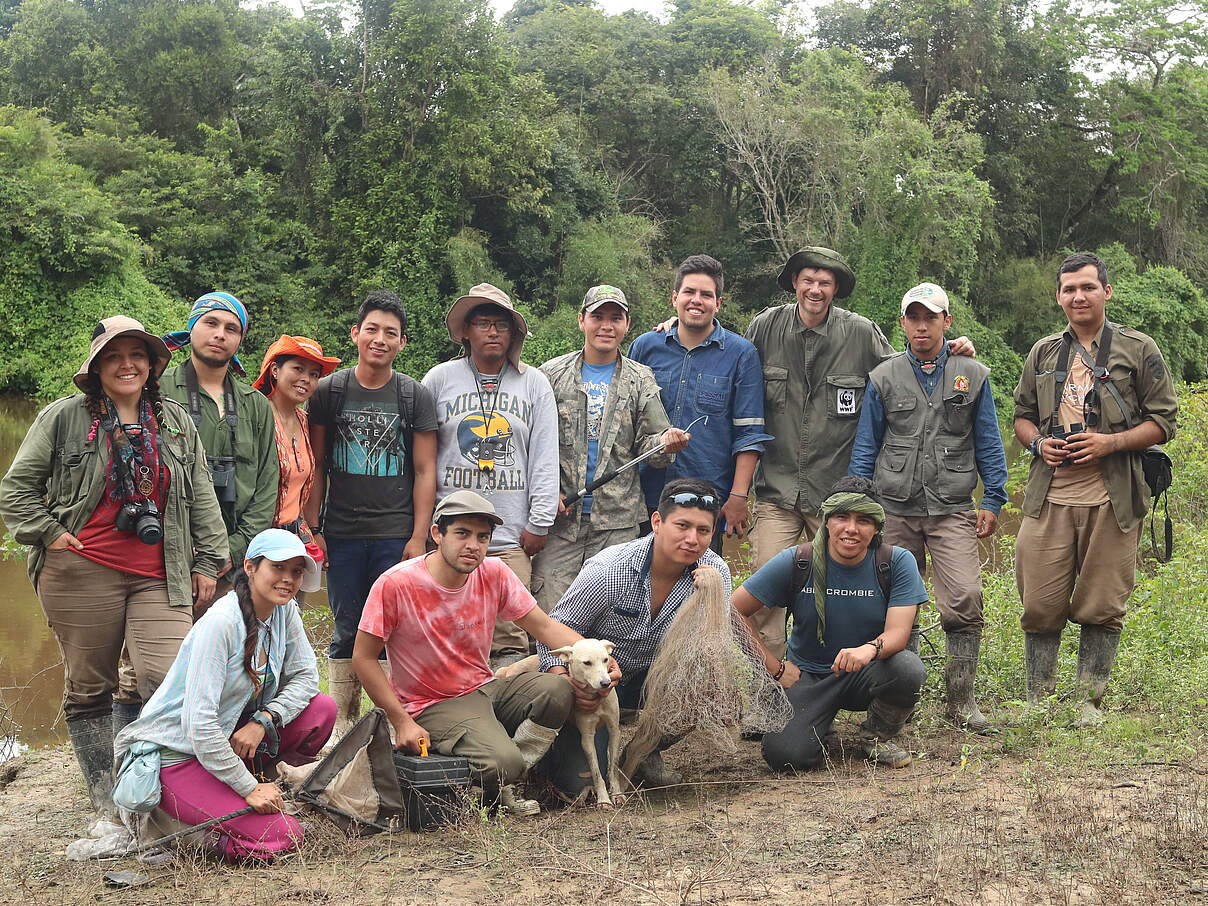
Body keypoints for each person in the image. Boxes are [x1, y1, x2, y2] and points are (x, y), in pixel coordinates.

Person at [0, 317, 227, 820]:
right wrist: (51, 533)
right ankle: (107, 804)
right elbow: (14, 491)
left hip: (159, 572)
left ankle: (161, 795)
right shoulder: (62, 418)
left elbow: (202, 497)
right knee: (90, 687)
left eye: (137, 355)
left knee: (168, 678)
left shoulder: (173, 420)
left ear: (152, 364)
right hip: (80, 570)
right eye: (114, 356)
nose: (127, 365)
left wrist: (209, 560)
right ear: (97, 366)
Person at [744, 246, 974, 659]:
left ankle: (839, 683)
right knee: (767, 599)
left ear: (835, 289)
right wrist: (685, 327)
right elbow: (731, 367)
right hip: (775, 490)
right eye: (808, 279)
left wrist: (947, 353)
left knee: (845, 596)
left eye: (825, 282)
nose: (815, 289)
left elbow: (905, 376)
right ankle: (775, 694)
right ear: (794, 283)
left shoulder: (861, 333)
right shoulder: (764, 328)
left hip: (839, 497)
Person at [1012, 252, 1177, 727]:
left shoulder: (1138, 348)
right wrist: (1040, 443)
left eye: (1087, 287)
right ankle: (1038, 700)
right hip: (1049, 495)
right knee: (1039, 602)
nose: (1078, 296)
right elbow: (1021, 416)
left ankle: (1089, 701)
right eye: (1069, 289)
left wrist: (1110, 443)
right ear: (1059, 297)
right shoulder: (1043, 352)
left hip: (1114, 496)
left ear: (1106, 291)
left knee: (1102, 602)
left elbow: (1164, 422)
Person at [352, 491, 593, 815]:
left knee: (557, 688)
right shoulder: (396, 583)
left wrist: (597, 658)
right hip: (432, 703)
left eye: (482, 537)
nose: (473, 545)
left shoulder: (494, 572)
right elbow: (363, 658)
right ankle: (501, 771)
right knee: (501, 762)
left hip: (484, 686)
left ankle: (508, 778)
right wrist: (402, 721)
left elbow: (545, 628)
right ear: (437, 534)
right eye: (462, 534)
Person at [113, 529, 336, 861]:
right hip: (178, 754)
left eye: (296, 571)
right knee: (284, 835)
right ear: (250, 567)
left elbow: (306, 678)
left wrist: (264, 718)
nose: (288, 579)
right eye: (278, 568)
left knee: (322, 709)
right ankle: (179, 828)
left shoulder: (284, 611)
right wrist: (247, 788)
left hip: (229, 738)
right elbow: (199, 727)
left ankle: (262, 790)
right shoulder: (222, 622)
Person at [849, 283, 1008, 733]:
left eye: (931, 317)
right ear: (902, 323)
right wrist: (861, 505)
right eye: (914, 317)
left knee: (965, 598)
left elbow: (989, 443)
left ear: (946, 322)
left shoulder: (971, 373)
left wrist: (993, 498)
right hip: (894, 507)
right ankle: (903, 700)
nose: (922, 325)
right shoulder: (883, 376)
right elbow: (866, 445)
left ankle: (962, 702)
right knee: (898, 605)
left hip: (952, 506)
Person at [535, 478, 731, 795]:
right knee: (576, 786)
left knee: (706, 682)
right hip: (593, 682)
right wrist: (567, 680)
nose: (692, 539)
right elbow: (553, 629)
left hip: (650, 678)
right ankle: (558, 746)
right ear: (657, 521)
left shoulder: (714, 573)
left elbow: (711, 647)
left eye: (703, 531)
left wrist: (710, 594)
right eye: (682, 525)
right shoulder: (610, 569)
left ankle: (642, 752)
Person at [305, 291, 438, 740]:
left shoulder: (413, 395)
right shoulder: (330, 391)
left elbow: (424, 469)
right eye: (372, 329)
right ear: (356, 333)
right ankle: (344, 724)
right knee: (347, 626)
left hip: (394, 532)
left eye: (391, 333)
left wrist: (419, 535)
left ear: (403, 343)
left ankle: (389, 722)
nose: (380, 340)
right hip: (341, 532)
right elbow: (317, 463)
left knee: (394, 630)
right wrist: (314, 527)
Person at [733, 477, 929, 770]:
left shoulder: (895, 561)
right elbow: (734, 611)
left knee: (908, 668)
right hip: (808, 677)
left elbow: (899, 634)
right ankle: (815, 722)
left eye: (863, 520)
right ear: (826, 521)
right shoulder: (798, 560)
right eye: (841, 517)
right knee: (786, 758)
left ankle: (877, 735)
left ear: (876, 527)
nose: (851, 529)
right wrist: (776, 668)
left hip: (866, 672)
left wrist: (868, 650)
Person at [422, 284, 559, 666]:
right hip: (450, 530)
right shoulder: (439, 379)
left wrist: (540, 522)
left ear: (513, 332)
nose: (493, 332)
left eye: (501, 324)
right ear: (466, 330)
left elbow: (545, 456)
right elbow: (424, 458)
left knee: (511, 637)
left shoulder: (534, 384)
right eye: (483, 323)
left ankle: (504, 712)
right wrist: (423, 526)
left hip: (511, 534)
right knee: (447, 627)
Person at [533, 284, 690, 613]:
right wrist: (545, 497)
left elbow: (655, 446)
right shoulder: (550, 374)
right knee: (551, 615)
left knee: (609, 614)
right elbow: (533, 445)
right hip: (560, 522)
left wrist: (666, 443)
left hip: (617, 525)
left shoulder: (641, 379)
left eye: (615, 318)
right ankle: (549, 668)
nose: (606, 326)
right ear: (581, 321)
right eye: (597, 317)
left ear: (627, 325)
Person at [629, 255, 773, 551]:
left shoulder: (741, 354)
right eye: (689, 292)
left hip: (706, 501)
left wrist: (737, 497)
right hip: (644, 496)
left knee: (700, 587)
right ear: (674, 298)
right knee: (637, 584)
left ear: (718, 303)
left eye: (706, 295)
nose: (697, 300)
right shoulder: (646, 346)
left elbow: (749, 434)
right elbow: (627, 419)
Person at [161, 291, 280, 601]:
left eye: (231, 328)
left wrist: (231, 550)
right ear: (191, 328)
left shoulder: (256, 405)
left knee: (227, 648)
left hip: (232, 566)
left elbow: (267, 487)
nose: (219, 334)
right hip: (164, 559)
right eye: (210, 322)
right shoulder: (156, 389)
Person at [252, 335, 341, 566]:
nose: (306, 379)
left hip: (294, 541)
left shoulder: (304, 420)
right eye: (298, 368)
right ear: (274, 370)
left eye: (314, 374)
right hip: (260, 543)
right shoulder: (255, 416)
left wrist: (311, 533)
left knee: (292, 603)